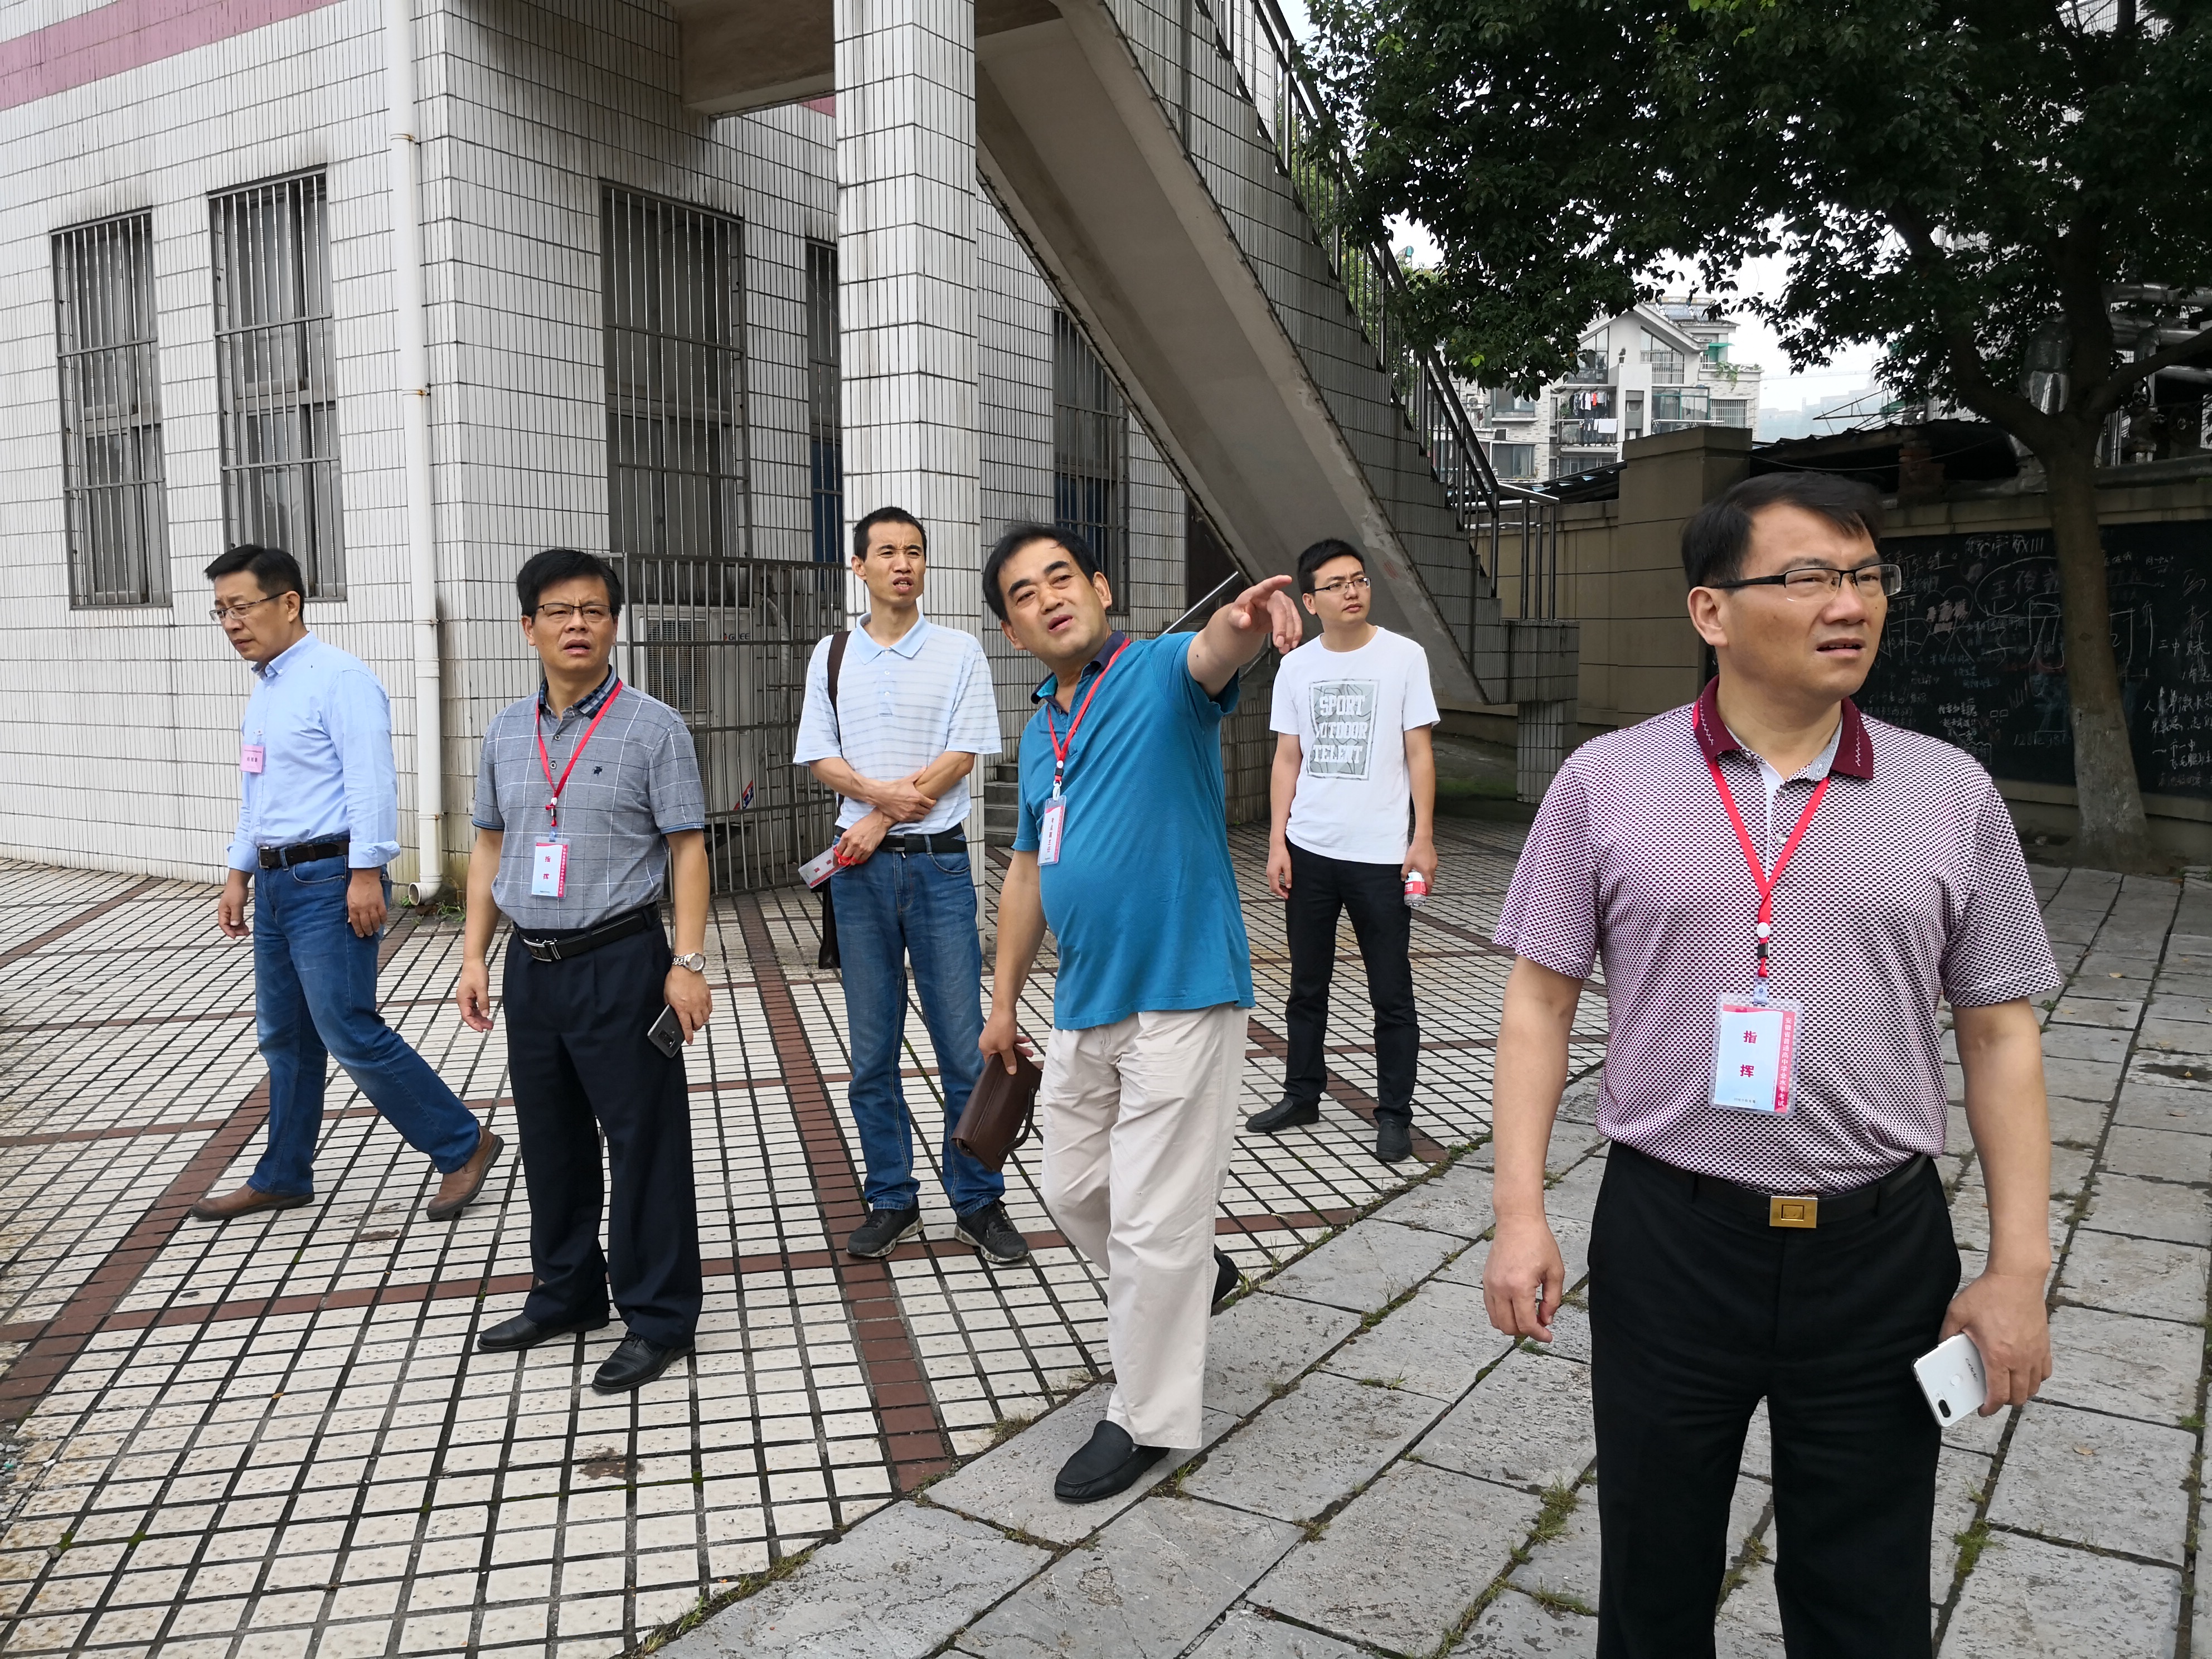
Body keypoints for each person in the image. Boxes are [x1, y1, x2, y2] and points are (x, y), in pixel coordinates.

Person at [1484, 473, 2056, 1656]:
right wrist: (1518, 1214)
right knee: (1652, 1574)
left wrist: (2017, 1268)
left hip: (1878, 1251)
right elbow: (1538, 1004)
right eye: (1806, 578)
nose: (1848, 605)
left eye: (1865, 577)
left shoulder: (1948, 792)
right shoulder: (1605, 783)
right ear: (1711, 610)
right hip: (1670, 1237)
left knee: (1867, 1593)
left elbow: (1999, 1033)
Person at [979, 523, 1303, 1504]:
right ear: (1012, 631)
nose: (1048, 597)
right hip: (1087, 996)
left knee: (1156, 1218)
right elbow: (1028, 870)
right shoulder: (1041, 730)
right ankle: (1191, 1275)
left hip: (1183, 986)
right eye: (1024, 593)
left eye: (1061, 577)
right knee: (1073, 1187)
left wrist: (1242, 623)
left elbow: (1215, 655)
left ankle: (1146, 1417)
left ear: (1101, 588)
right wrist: (1002, 1002)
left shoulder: (1161, 671)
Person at [455, 547, 711, 1395]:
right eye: (559, 612)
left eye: (594, 611)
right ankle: (566, 1292)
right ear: (528, 627)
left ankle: (659, 1315)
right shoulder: (504, 731)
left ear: (613, 624)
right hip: (533, 966)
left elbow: (687, 849)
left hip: (622, 961)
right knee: (551, 1138)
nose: (577, 625)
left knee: (644, 1144)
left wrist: (687, 962)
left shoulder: (654, 728)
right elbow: (489, 845)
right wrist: (474, 955)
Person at [195, 545, 499, 1223]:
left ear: (289, 602)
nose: (231, 623)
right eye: (220, 612)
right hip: (276, 883)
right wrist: (238, 873)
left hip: (330, 880)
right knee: (285, 1037)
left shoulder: (340, 678)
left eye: (240, 607)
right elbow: (257, 795)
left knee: (348, 1028)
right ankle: (283, 1174)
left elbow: (372, 783)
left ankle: (463, 1143)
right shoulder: (267, 689)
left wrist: (366, 873)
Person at [793, 507, 1022, 1263]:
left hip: (940, 867)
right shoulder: (832, 654)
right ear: (857, 566)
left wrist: (876, 816)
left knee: (963, 1047)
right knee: (870, 1053)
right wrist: (877, 802)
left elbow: (962, 755)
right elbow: (820, 757)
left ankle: (977, 1199)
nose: (903, 563)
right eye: (887, 551)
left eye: (915, 551)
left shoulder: (958, 651)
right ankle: (892, 1197)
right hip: (858, 877)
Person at [1250, 538, 1439, 1163]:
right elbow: (1287, 759)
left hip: (1381, 855)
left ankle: (1394, 1115)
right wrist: (1277, 842)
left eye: (1358, 579)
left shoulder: (1403, 657)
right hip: (1310, 850)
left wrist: (1422, 837)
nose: (1352, 591)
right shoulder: (1296, 667)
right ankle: (1301, 1094)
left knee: (1391, 991)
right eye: (1335, 585)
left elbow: (1419, 753)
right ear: (1310, 602)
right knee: (1306, 984)